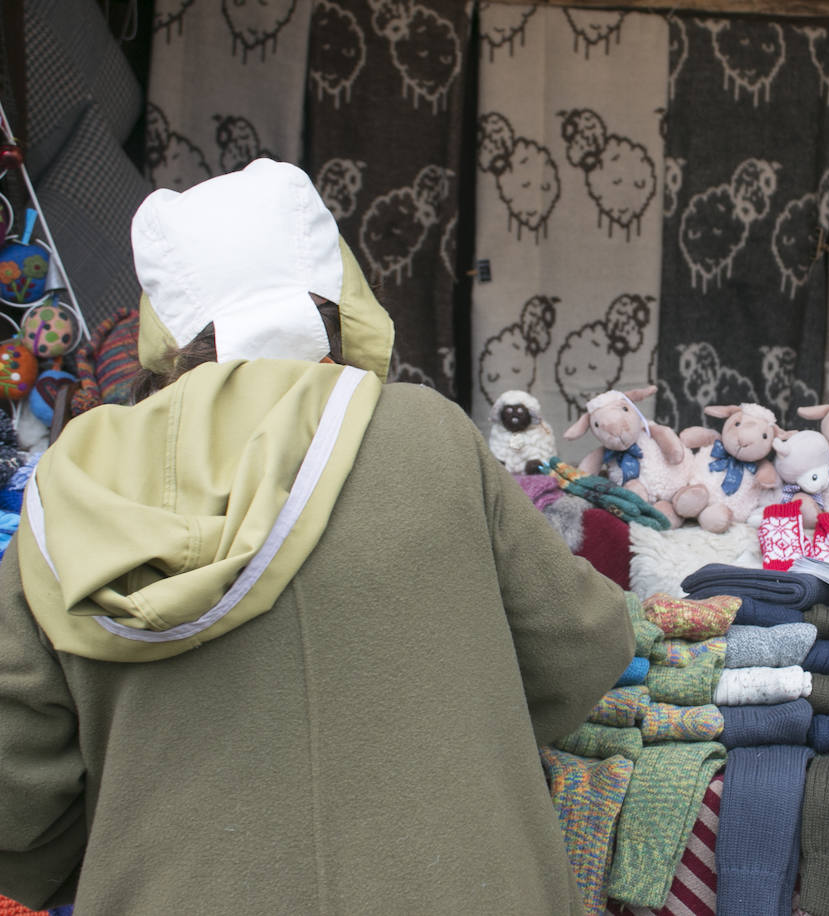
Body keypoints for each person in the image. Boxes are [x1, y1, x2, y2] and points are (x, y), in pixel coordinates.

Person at [0, 159, 634, 912]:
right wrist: (445, 740)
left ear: (164, 322)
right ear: (341, 293)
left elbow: (16, 786)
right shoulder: (425, 437)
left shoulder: (70, 489)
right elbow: (585, 641)